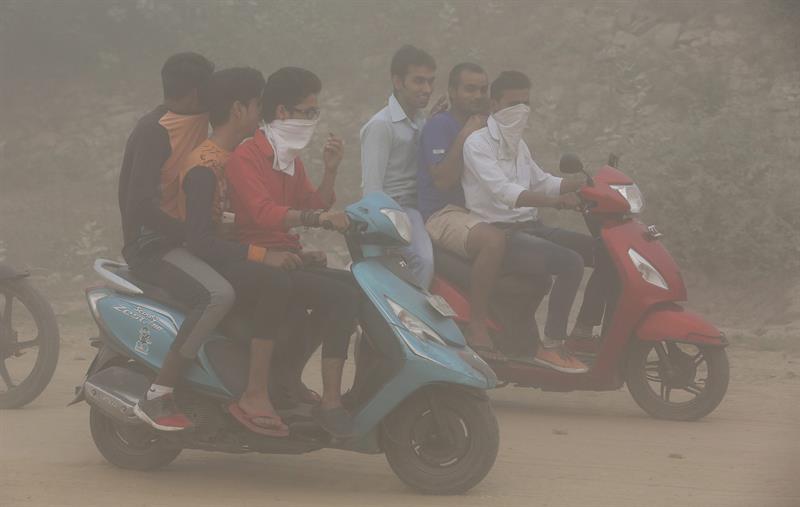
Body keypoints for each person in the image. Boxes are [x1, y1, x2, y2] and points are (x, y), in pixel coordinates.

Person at [226, 67, 359, 437]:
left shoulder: (289, 159)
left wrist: (330, 172)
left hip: (285, 253)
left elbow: (311, 201)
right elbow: (264, 214)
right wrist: (319, 218)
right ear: (282, 112)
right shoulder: (247, 156)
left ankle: (290, 378)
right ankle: (264, 392)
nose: (312, 121)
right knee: (318, 292)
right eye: (308, 112)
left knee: (352, 289)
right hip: (254, 257)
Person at [462, 71, 612, 373]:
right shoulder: (477, 144)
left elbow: (542, 181)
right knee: (570, 263)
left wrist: (585, 184)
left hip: (532, 227)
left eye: (526, 103)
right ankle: (552, 345)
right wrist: (556, 201)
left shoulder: (518, 146)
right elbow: (505, 193)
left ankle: (583, 332)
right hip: (502, 234)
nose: (521, 110)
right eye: (513, 103)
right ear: (494, 104)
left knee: (605, 252)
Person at [119, 52, 237, 431]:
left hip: (187, 239)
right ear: (192, 94)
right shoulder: (154, 131)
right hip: (153, 246)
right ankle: (159, 392)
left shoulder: (196, 117)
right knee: (217, 295)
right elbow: (138, 206)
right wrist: (188, 234)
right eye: (209, 91)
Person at [177, 66, 297, 436]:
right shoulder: (204, 166)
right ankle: (254, 392)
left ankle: (283, 381)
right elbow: (199, 241)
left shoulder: (236, 159)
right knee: (275, 282)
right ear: (238, 110)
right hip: (208, 261)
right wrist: (263, 255)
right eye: (257, 104)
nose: (261, 113)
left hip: (228, 254)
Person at [417, 62, 509, 354]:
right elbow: (443, 180)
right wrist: (464, 136)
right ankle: (477, 324)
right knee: (493, 242)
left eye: (483, 89)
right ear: (452, 92)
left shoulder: (486, 126)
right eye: (469, 88)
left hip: (474, 211)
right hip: (441, 213)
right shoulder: (441, 125)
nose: (478, 95)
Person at [360, 45, 436, 289]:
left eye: (430, 81)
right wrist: (385, 230)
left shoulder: (421, 120)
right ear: (398, 81)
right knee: (423, 261)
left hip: (420, 208)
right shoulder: (381, 126)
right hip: (394, 208)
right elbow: (372, 189)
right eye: (419, 81)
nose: (427, 89)